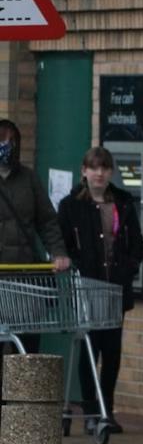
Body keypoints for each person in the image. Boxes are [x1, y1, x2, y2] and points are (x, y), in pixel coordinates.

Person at [57, 147, 143, 435]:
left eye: (105, 168)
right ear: (84, 171)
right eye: (94, 168)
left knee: (112, 350)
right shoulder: (71, 205)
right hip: (86, 287)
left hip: (115, 287)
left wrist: (128, 268)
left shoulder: (122, 201)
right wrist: (76, 265)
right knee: (88, 348)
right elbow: (64, 243)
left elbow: (137, 243)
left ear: (111, 172)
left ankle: (107, 407)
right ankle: (91, 409)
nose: (99, 173)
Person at [0, 120, 70, 368]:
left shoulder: (28, 179)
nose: (6, 147)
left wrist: (58, 252)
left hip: (24, 277)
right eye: (1, 142)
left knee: (27, 348)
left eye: (11, 142)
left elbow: (47, 221)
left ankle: (24, 403)